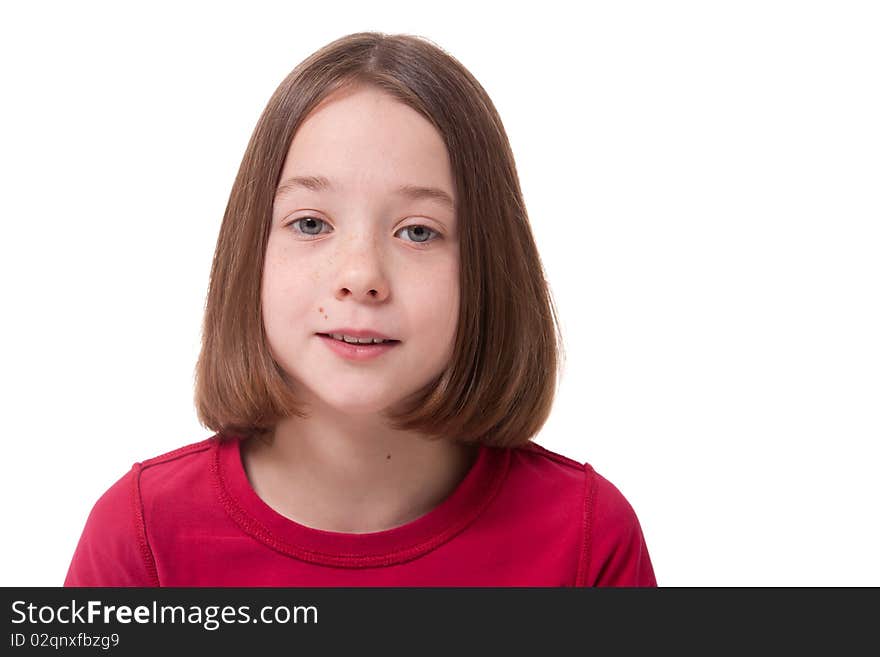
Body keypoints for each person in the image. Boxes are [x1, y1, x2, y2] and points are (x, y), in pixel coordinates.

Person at [64, 31, 656, 587]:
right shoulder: (142, 536)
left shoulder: (588, 539)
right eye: (311, 223)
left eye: (419, 232)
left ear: (488, 268)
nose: (360, 278)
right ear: (251, 252)